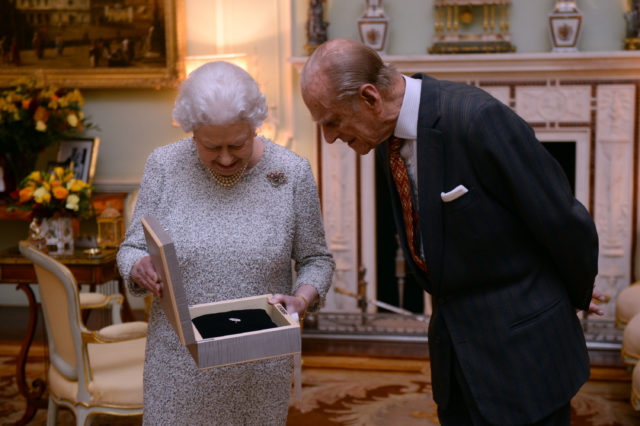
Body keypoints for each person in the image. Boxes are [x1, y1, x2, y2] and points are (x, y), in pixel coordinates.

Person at [300, 38, 604, 426]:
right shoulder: (385, 139)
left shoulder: (477, 120)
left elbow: (562, 219)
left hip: (524, 356)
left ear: (370, 98)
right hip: (457, 359)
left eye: (331, 121)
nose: (329, 137)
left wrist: (573, 295)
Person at [117, 61, 335, 425]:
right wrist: (137, 266)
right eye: (210, 146)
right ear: (191, 131)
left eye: (238, 143)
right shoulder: (164, 166)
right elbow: (132, 248)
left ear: (255, 126)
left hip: (259, 368)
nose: (225, 157)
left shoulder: (292, 174)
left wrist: (302, 298)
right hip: (178, 364)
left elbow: (317, 259)